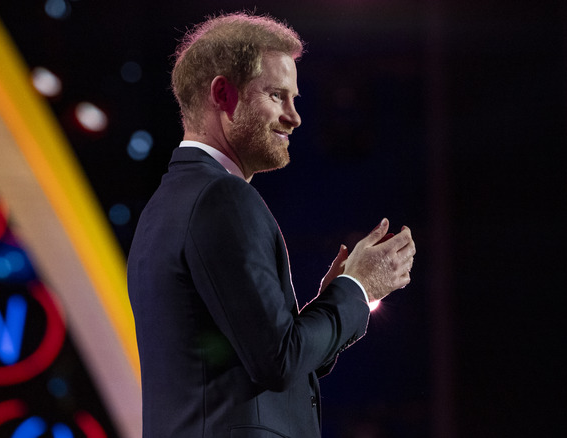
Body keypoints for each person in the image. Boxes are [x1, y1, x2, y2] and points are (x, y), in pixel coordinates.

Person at [127, 12, 416, 438]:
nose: (295, 117)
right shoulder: (221, 198)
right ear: (223, 95)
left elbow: (261, 356)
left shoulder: (166, 205)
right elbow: (277, 362)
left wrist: (331, 300)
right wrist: (359, 289)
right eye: (278, 95)